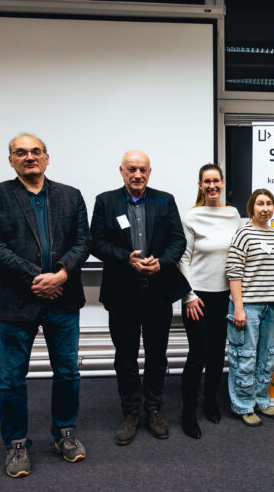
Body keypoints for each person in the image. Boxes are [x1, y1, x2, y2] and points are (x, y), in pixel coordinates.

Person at [0, 133, 90, 478]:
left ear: (47, 157)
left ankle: (65, 432)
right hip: (14, 301)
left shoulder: (70, 195)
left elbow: (83, 242)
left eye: (36, 151)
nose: (29, 156)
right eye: (21, 152)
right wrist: (39, 279)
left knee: (68, 371)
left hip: (63, 299)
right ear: (11, 160)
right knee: (12, 377)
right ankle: (16, 443)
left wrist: (61, 274)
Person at [90, 150, 189, 445]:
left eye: (142, 170)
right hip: (122, 293)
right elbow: (96, 242)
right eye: (131, 169)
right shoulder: (106, 201)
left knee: (157, 356)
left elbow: (178, 241)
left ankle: (154, 409)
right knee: (125, 356)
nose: (137, 175)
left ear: (149, 172)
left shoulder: (164, 200)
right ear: (121, 171)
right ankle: (131, 411)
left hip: (158, 292)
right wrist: (126, 258)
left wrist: (162, 262)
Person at [178, 164, 242, 438]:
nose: (212, 186)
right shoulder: (192, 215)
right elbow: (183, 258)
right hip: (198, 297)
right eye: (207, 181)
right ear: (200, 185)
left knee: (217, 354)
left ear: (223, 183)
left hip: (224, 295)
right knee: (198, 354)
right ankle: (188, 413)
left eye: (216, 181)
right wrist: (189, 295)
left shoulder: (233, 214)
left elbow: (243, 245)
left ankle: (210, 403)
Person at [224, 189, 274, 427]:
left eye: (269, 203)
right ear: (252, 207)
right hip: (247, 306)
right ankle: (243, 404)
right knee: (245, 356)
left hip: (272, 305)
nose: (265, 208)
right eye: (260, 203)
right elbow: (234, 271)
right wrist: (238, 307)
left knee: (267, 355)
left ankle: (261, 399)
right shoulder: (244, 233)